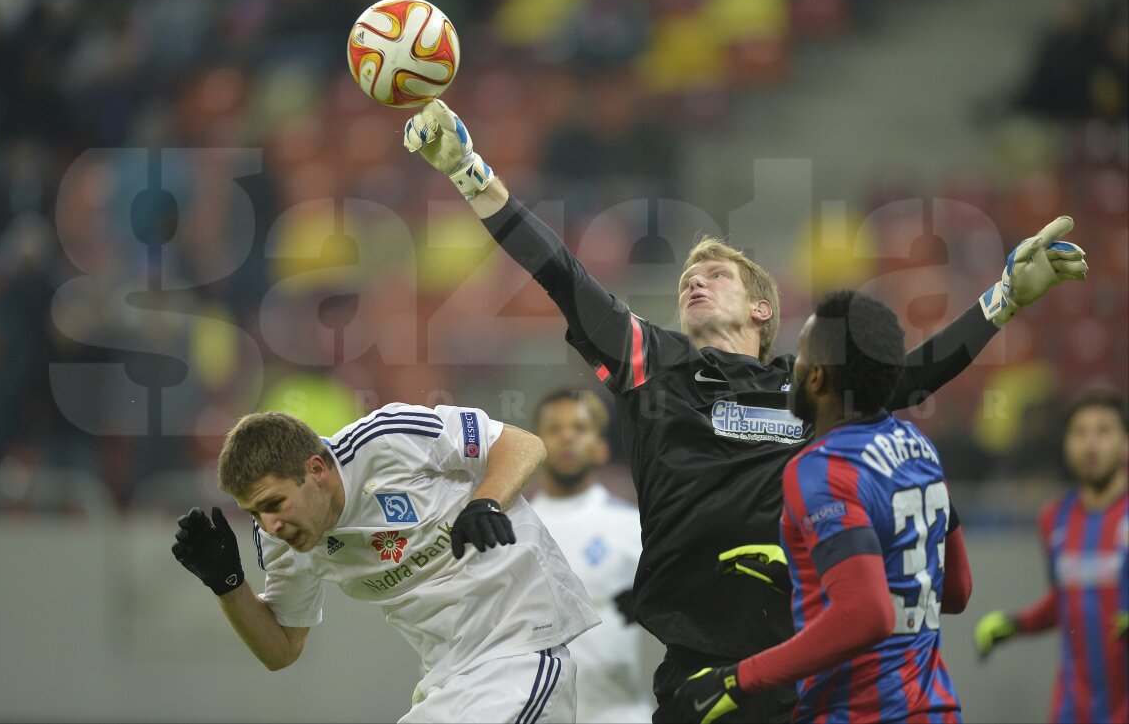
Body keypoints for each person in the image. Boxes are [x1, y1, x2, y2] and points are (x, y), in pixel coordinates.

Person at [401, 99, 1088, 722]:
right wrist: (469, 171)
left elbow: (907, 378)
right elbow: (560, 273)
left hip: (808, 663)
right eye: (686, 279)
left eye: (715, 275)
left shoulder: (810, 388)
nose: (694, 282)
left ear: (762, 308)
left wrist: (1003, 299)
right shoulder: (655, 364)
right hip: (700, 670)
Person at [171, 403, 600, 723]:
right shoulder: (280, 540)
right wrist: (228, 585)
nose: (270, 524)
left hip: (521, 654)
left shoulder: (387, 439)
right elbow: (282, 648)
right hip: (447, 682)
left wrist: (484, 502)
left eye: (274, 504)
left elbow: (522, 444)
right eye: (253, 514)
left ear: (316, 470)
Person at [672, 290, 972, 723]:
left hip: (861, 714)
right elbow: (956, 589)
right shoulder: (918, 447)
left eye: (802, 355)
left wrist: (735, 680)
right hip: (935, 709)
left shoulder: (819, 467)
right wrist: (808, 574)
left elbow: (866, 614)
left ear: (815, 378)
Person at [974, 388, 1128, 724]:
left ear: (1125, 444)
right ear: (1066, 444)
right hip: (1071, 709)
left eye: (1103, 431)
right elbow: (1067, 599)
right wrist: (1016, 624)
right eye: (1080, 433)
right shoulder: (1054, 520)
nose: (1090, 444)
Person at [530, 389, 654, 723]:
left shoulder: (633, 527)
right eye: (554, 429)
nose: (567, 437)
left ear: (602, 447)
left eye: (580, 428)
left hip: (619, 714)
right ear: (535, 446)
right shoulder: (515, 532)